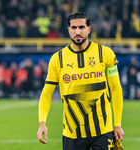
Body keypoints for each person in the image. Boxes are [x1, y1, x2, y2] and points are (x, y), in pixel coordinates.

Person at [37, 12, 124, 150]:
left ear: (89, 29)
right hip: (72, 132)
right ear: (69, 30)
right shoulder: (57, 59)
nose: (78, 31)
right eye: (74, 27)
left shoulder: (105, 54)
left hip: (102, 131)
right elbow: (47, 93)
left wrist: (117, 124)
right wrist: (42, 123)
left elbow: (115, 89)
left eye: (82, 27)